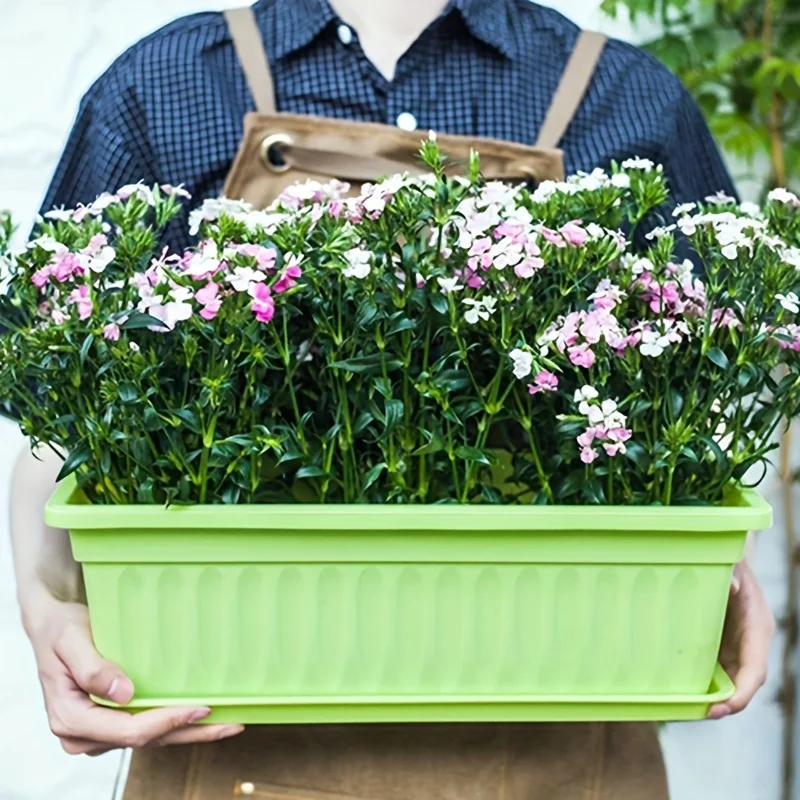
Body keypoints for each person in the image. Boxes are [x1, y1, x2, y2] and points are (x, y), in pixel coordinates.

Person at [12, 0, 775, 798]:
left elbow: (703, 396)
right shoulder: (165, 84)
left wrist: (721, 571)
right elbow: (64, 421)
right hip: (228, 734)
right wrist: (45, 604)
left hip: (568, 743)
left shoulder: (627, 94)